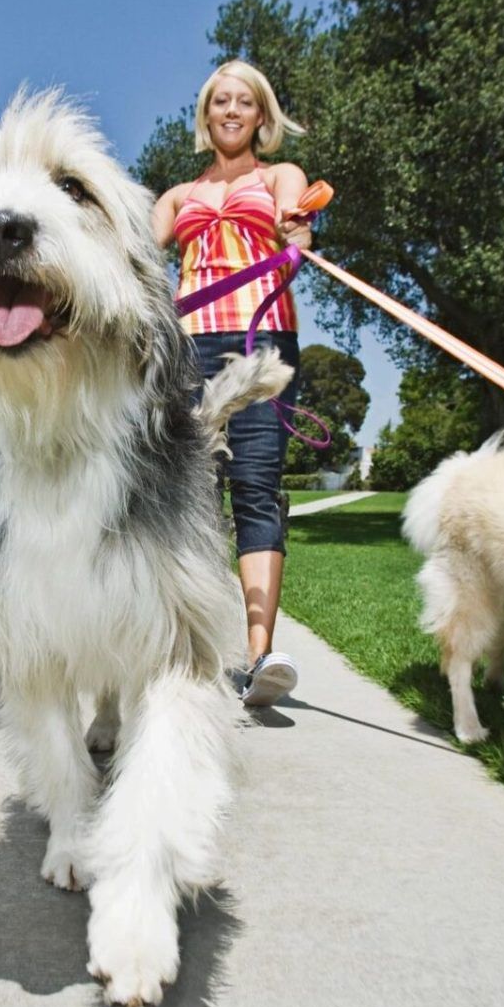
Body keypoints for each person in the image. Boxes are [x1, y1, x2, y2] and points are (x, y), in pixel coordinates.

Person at [151, 60, 313, 707]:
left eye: (244, 102)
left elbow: (296, 224)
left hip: (262, 342)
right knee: (189, 493)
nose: (232, 110)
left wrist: (297, 232)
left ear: (262, 116)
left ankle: (259, 656)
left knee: (255, 486)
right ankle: (181, 648)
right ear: (206, 114)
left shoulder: (280, 176)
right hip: (189, 346)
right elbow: (134, 248)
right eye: (220, 101)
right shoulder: (177, 196)